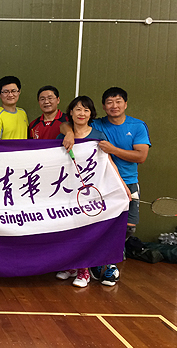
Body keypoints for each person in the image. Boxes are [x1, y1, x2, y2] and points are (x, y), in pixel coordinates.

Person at [60, 87, 150, 287]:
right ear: (103, 106)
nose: (114, 106)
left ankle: (101, 259)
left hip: (126, 181)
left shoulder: (137, 126)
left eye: (118, 101)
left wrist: (113, 149)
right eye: (109, 102)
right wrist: (69, 133)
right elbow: (66, 124)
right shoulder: (97, 124)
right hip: (98, 184)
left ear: (125, 104)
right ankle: (107, 265)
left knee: (127, 228)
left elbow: (141, 156)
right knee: (97, 224)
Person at [55, 95, 130, 287]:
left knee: (85, 230)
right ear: (71, 112)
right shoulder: (62, 136)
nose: (82, 113)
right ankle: (71, 266)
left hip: (90, 193)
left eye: (86, 110)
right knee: (68, 230)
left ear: (91, 114)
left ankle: (84, 271)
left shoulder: (98, 136)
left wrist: (122, 185)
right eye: (78, 109)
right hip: (66, 191)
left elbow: (109, 163)